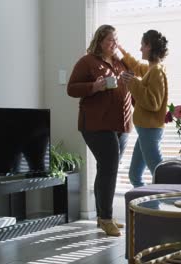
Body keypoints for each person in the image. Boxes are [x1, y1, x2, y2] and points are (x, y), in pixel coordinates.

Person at [67, 24, 132, 237]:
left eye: (115, 40)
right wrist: (94, 87)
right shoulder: (87, 62)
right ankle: (106, 218)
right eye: (109, 40)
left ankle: (102, 216)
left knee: (107, 168)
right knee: (109, 168)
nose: (113, 44)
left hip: (121, 125)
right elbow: (72, 89)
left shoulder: (119, 63)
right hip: (96, 124)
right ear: (99, 41)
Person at [119, 29, 168, 188]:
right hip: (144, 130)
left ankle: (171, 209)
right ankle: (148, 210)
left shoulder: (157, 71)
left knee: (162, 175)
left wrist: (132, 82)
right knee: (134, 175)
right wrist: (120, 51)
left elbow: (153, 103)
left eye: (142, 45)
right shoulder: (151, 69)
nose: (140, 49)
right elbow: (137, 67)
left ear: (150, 47)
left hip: (149, 130)